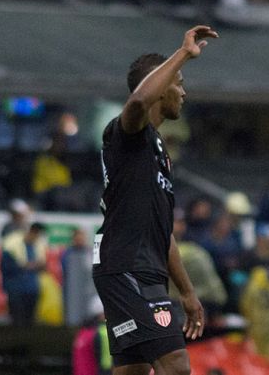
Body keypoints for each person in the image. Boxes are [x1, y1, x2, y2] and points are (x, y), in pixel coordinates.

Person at [92, 25, 218, 374]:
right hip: (127, 269)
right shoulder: (127, 133)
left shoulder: (158, 152)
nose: (184, 93)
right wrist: (183, 56)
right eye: (179, 84)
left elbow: (163, 234)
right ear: (160, 88)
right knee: (176, 366)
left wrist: (188, 293)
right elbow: (137, 101)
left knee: (134, 371)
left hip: (142, 269)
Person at [1, 222, 47, 326]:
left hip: (32, 289)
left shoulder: (37, 247)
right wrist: (27, 266)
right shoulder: (11, 245)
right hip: (16, 290)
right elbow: (7, 267)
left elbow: (43, 266)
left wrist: (30, 266)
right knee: (17, 321)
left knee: (30, 321)